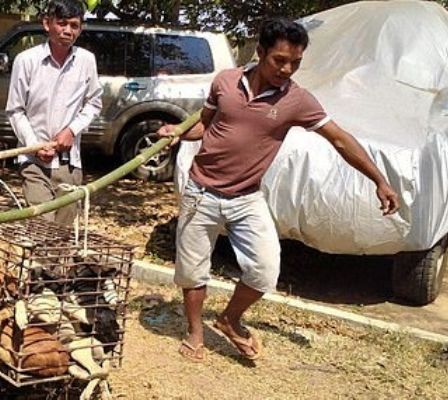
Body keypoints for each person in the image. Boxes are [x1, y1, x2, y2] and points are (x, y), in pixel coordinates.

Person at [158, 18, 400, 362]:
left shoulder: (297, 100)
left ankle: (230, 319)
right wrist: (179, 132)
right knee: (193, 269)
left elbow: (340, 140)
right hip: (201, 193)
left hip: (246, 197)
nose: (287, 69)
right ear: (260, 53)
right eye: (280, 60)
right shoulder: (225, 81)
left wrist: (379, 179)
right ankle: (195, 331)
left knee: (265, 270)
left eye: (295, 63)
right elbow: (206, 126)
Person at [5, 0, 102, 226]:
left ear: (80, 29)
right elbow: (15, 110)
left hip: (69, 162)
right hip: (33, 162)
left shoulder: (86, 61)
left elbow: (94, 103)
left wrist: (72, 130)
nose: (68, 30)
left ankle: (59, 264)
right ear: (47, 24)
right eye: (62, 23)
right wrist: (35, 145)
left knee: (64, 229)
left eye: (74, 25)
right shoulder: (26, 61)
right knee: (41, 224)